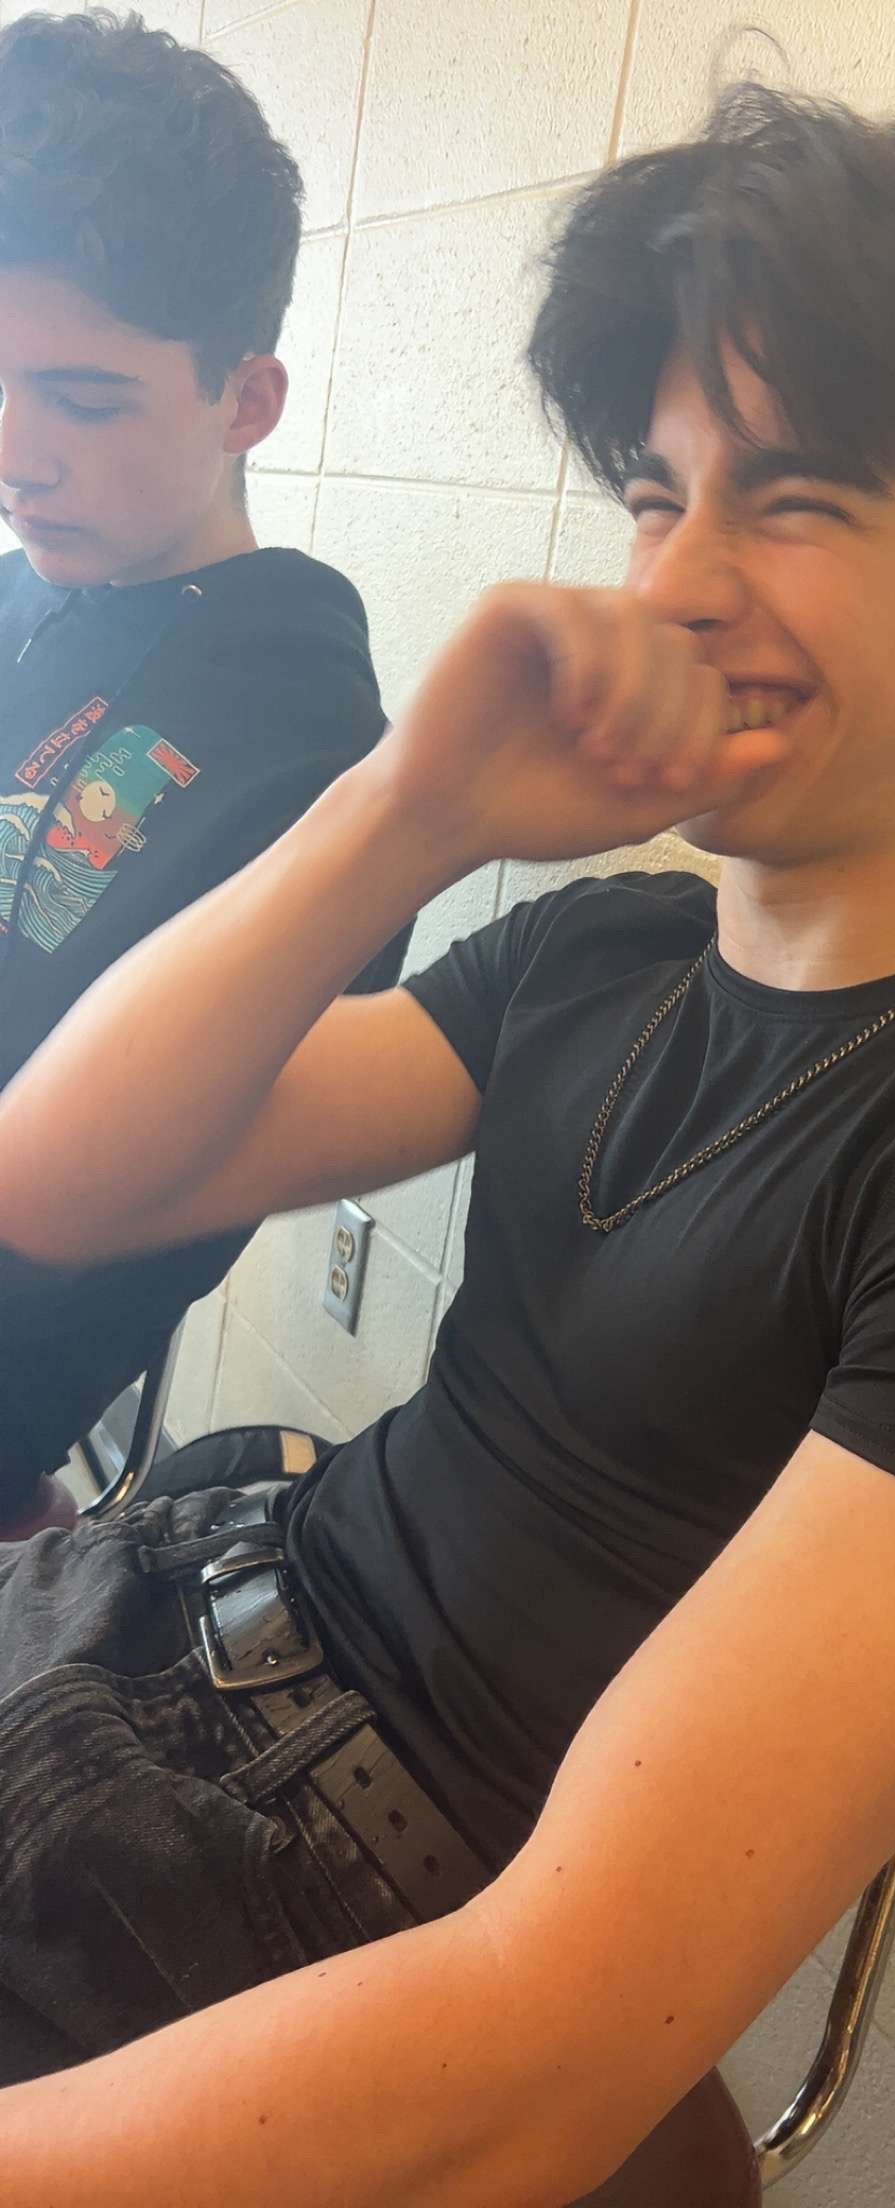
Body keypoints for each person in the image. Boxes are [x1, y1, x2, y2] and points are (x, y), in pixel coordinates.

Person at [1, 86, 895, 2208]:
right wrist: (408, 809)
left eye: (797, 502)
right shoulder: (605, 947)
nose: (673, 586)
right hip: (139, 1630)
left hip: (332, 1894)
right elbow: (56, 1183)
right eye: (658, 496)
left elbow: (549, 2054)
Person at [0, 8, 398, 1538]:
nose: (19, 453)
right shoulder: (36, 592)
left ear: (246, 401)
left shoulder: (292, 731)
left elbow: (118, 1236)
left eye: (86, 399)